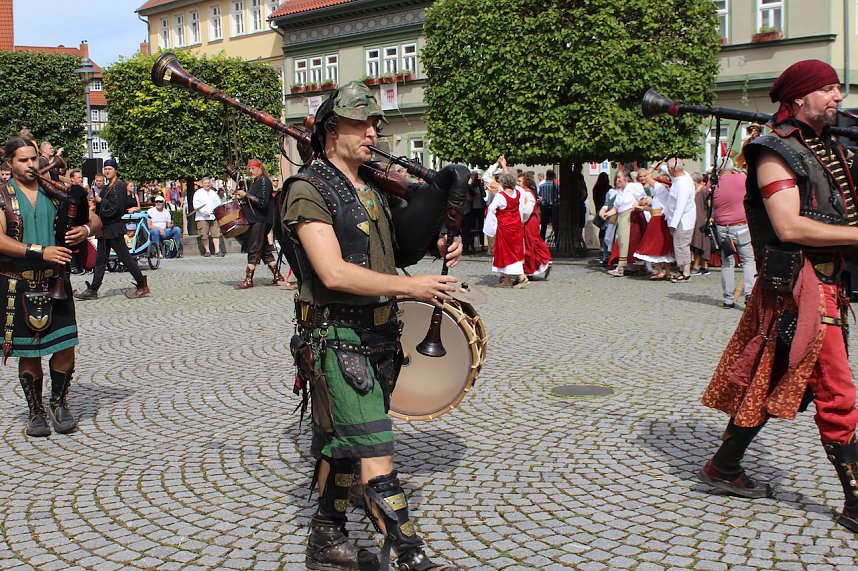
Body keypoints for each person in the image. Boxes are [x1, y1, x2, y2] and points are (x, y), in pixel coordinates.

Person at [282, 80, 462, 571]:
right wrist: (412, 287)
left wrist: (437, 244)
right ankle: (411, 556)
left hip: (380, 338)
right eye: (360, 123)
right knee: (377, 452)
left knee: (346, 444)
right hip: (339, 339)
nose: (371, 132)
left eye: (374, 124)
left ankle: (325, 540)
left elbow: (393, 250)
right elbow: (333, 272)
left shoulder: (370, 187)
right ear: (330, 129)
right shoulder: (308, 189)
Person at [698, 60, 858, 534]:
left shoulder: (831, 145)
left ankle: (723, 466)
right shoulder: (773, 151)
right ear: (800, 98)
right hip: (800, 288)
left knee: (770, 379)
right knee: (838, 394)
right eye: (827, 89)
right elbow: (788, 226)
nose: (838, 96)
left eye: (838, 88)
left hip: (828, 282)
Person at [0, 136, 101, 437]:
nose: (31, 165)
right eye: (23, 160)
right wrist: (40, 252)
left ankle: (59, 402)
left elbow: (95, 221)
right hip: (18, 283)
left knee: (64, 347)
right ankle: (35, 411)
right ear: (9, 163)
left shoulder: (55, 191)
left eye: (34, 158)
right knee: (29, 352)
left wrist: (85, 229)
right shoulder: (2, 196)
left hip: (57, 281)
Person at [74, 159, 150, 300]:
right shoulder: (108, 187)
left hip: (114, 228)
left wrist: (100, 201)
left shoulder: (119, 186)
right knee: (100, 260)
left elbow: (118, 208)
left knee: (125, 258)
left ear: (115, 170)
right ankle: (93, 289)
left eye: (110, 169)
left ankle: (142, 284)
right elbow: (103, 205)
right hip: (105, 229)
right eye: (105, 169)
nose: (107, 171)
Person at [234, 160, 285, 288]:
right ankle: (278, 276)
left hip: (260, 220)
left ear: (260, 168)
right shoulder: (257, 181)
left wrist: (246, 195)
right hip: (257, 219)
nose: (250, 171)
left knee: (254, 248)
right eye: (249, 168)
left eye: (253, 168)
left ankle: (248, 280)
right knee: (264, 251)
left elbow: (262, 202)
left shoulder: (264, 181)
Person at [712, 163, 755, 308]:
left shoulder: (715, 183)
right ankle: (749, 293)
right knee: (748, 260)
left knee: (727, 263)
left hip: (722, 227)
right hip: (741, 225)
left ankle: (728, 299)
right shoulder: (742, 178)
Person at [485, 172, 528, 287]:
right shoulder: (517, 193)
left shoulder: (501, 196)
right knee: (514, 251)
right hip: (516, 227)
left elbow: (491, 208)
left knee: (507, 252)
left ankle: (521, 277)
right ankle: (507, 280)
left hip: (505, 227)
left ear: (503, 183)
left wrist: (491, 224)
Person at [664, 158, 696, 282]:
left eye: (668, 168)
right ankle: (682, 269)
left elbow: (680, 206)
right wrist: (660, 167)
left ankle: (686, 272)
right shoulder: (683, 175)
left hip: (682, 220)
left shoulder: (683, 184)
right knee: (679, 245)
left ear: (673, 169)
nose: (667, 170)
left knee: (682, 245)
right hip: (681, 219)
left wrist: (673, 224)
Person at [192, 177, 223, 257]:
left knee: (216, 234)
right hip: (202, 217)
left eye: (208, 183)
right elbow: (195, 205)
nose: (207, 184)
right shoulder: (198, 193)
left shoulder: (213, 193)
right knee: (204, 235)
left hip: (213, 217)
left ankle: (217, 251)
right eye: (205, 183)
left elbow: (218, 204)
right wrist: (203, 211)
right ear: (202, 184)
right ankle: (207, 251)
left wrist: (215, 212)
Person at [537, 169, 559, 240]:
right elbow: (558, 194)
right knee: (555, 225)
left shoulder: (541, 186)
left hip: (544, 207)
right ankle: (556, 240)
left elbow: (539, 195)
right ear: (553, 176)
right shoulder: (555, 186)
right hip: (553, 207)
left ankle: (542, 241)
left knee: (544, 226)